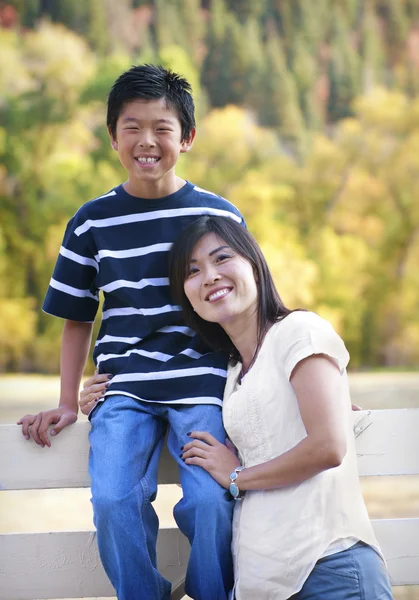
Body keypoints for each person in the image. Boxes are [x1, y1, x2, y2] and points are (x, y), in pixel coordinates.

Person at [17, 65, 245, 600]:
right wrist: (68, 401)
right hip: (124, 388)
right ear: (112, 137)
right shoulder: (91, 222)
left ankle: (215, 593)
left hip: (203, 383)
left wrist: (300, 387)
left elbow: (252, 313)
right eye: (132, 127)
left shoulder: (218, 215)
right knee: (114, 500)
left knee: (213, 501)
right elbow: (76, 317)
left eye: (163, 128)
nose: (147, 141)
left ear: (186, 138)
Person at [82, 215, 393, 600]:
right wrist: (102, 391)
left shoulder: (299, 331)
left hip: (326, 572)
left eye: (222, 258)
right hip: (260, 585)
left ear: (254, 264)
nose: (210, 276)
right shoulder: (230, 375)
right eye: (193, 271)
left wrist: (236, 477)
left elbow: (328, 447)